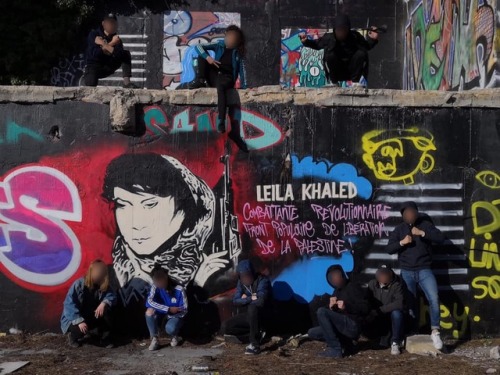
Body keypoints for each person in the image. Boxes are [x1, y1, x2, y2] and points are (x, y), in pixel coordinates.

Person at [102, 153, 224, 303]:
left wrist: (197, 285)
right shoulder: (109, 276)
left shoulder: (215, 273)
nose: (136, 223)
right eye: (122, 204)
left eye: (150, 204)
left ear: (184, 209)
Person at [385, 201, 446, 350]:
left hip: (425, 269)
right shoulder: (399, 229)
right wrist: (402, 242)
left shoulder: (425, 225)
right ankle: (413, 331)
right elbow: (389, 248)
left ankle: (435, 331)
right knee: (411, 304)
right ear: (403, 216)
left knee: (434, 298)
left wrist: (422, 233)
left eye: (412, 212)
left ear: (416, 213)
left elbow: (440, 238)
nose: (410, 215)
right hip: (406, 271)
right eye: (406, 213)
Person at [188, 25, 247, 134]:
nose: (230, 40)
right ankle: (200, 81)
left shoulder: (238, 53)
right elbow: (198, 46)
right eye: (228, 37)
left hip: (227, 78)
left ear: (238, 40)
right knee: (202, 56)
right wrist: (208, 58)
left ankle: (221, 120)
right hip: (215, 75)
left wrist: (244, 86)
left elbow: (242, 71)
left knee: (221, 87)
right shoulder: (219, 45)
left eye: (233, 38)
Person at [299, 14, 379, 86]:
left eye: (344, 30)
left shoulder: (355, 37)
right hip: (337, 71)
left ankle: (355, 83)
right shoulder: (329, 37)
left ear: (348, 30)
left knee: (361, 53)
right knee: (329, 55)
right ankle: (334, 83)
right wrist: (306, 41)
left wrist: (373, 39)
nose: (341, 32)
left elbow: (366, 47)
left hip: (352, 70)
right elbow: (317, 45)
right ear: (335, 30)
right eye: (339, 30)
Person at [308, 265, 370, 358]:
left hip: (353, 325)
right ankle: (346, 343)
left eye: (337, 275)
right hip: (342, 325)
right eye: (331, 277)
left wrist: (347, 307)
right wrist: (331, 307)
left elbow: (366, 308)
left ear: (343, 275)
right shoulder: (336, 291)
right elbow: (334, 312)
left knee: (321, 311)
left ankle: (335, 349)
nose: (335, 279)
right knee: (312, 333)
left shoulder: (353, 287)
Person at [60, 259, 116, 348]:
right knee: (79, 329)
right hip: (75, 318)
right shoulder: (79, 284)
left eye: (101, 274)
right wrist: (79, 321)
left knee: (108, 312)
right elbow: (68, 304)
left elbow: (111, 296)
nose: (99, 277)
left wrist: (104, 303)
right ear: (91, 272)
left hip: (91, 316)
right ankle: (73, 337)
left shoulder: (103, 284)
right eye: (97, 274)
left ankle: (105, 339)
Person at [223, 260, 271, 355]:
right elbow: (235, 300)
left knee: (252, 308)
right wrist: (251, 298)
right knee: (226, 326)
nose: (245, 278)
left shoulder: (262, 280)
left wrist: (245, 298)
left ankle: (255, 345)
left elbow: (261, 301)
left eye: (247, 275)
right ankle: (257, 334)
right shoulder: (241, 283)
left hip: (263, 316)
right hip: (250, 316)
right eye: (242, 276)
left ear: (252, 273)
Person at [82, 13, 135, 88]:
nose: (112, 25)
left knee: (125, 54)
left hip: (107, 66)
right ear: (103, 24)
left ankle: (127, 83)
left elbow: (119, 55)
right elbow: (95, 54)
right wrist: (111, 45)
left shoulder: (116, 39)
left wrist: (104, 44)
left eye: (114, 23)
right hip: (94, 67)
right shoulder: (94, 34)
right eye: (110, 23)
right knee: (90, 83)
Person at [145, 265, 188, 350]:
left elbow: (185, 309)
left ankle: (174, 335)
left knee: (170, 328)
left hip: (175, 316)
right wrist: (167, 309)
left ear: (166, 279)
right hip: (161, 313)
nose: (159, 284)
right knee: (149, 311)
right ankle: (154, 339)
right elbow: (149, 302)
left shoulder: (179, 290)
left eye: (161, 281)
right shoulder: (155, 287)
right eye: (156, 281)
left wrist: (174, 312)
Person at [365, 265, 405, 355]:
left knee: (397, 313)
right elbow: (367, 300)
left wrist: (380, 310)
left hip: (389, 314)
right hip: (377, 315)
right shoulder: (372, 284)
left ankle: (395, 342)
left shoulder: (397, 285)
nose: (383, 277)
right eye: (381, 274)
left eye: (386, 274)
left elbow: (399, 303)